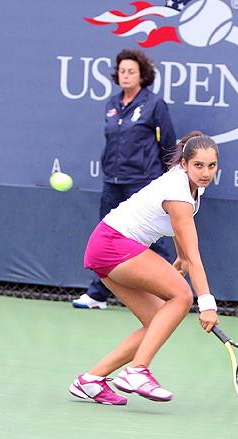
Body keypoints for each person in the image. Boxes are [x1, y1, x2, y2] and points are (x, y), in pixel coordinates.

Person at [68, 131, 219, 405]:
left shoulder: (192, 186)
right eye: (198, 165)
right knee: (182, 296)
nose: (206, 172)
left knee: (156, 320)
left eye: (211, 165)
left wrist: (181, 257)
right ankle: (137, 371)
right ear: (184, 164)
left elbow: (181, 236)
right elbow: (195, 253)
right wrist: (207, 303)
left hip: (106, 245)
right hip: (114, 243)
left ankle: (90, 381)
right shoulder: (179, 194)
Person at [72, 49, 176, 310]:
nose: (125, 75)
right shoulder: (111, 104)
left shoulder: (154, 104)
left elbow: (169, 145)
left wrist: (164, 182)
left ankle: (172, 293)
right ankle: (98, 295)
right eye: (122, 71)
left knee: (152, 240)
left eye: (131, 71)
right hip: (112, 182)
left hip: (143, 182)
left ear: (142, 76)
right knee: (106, 239)